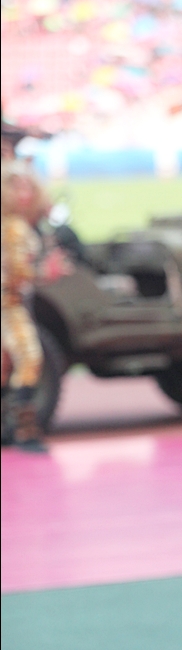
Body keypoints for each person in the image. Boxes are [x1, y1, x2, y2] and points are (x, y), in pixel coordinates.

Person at [1, 160, 68, 451]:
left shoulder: (15, 225)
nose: (24, 194)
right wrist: (46, 272)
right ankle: (24, 432)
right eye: (17, 188)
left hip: (11, 303)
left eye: (28, 188)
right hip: (8, 305)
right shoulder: (14, 228)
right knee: (29, 359)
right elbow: (18, 273)